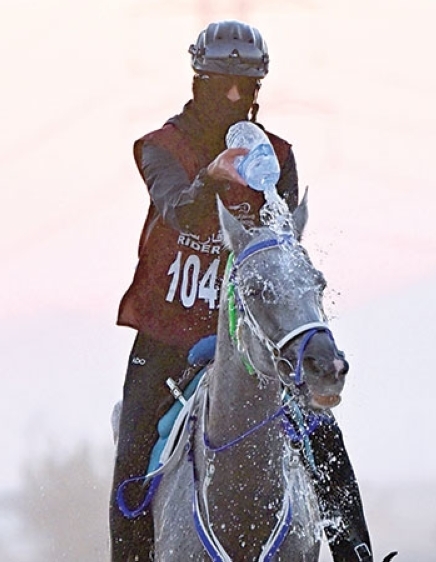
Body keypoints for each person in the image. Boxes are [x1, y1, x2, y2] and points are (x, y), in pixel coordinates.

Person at [110, 19, 376, 562]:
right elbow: (180, 212)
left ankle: (357, 554)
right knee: (132, 461)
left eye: (247, 87)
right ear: (197, 81)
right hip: (166, 335)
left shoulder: (275, 156)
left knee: (320, 430)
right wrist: (210, 176)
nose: (234, 97)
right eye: (221, 84)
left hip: (250, 337)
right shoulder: (160, 148)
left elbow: (280, 251)